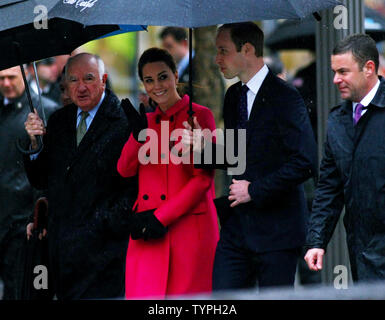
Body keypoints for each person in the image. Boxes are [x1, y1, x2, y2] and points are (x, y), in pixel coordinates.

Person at [184, 22, 317, 290]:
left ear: (247, 50)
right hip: (237, 231)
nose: (216, 59)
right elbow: (238, 155)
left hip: (278, 233)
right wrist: (203, 149)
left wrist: (254, 190)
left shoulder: (286, 97)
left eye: (223, 50)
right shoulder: (233, 96)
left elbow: (305, 163)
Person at [23, 53, 137, 300]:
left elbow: (133, 189)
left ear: (104, 80)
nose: (81, 87)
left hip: (105, 253)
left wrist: (102, 224)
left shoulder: (125, 121)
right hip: (63, 253)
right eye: (73, 80)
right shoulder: (59, 121)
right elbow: (42, 179)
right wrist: (34, 142)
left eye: (89, 78)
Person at [117, 47, 219, 299]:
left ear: (175, 74)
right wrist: (137, 136)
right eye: (149, 80)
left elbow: (203, 181)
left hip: (187, 233)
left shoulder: (200, 115)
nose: (156, 86)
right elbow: (124, 169)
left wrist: (162, 217)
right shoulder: (147, 121)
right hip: (147, 235)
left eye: (162, 76)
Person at [305, 34, 385, 282]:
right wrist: (317, 241)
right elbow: (329, 187)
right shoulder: (338, 120)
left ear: (369, 68)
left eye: (343, 71)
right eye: (334, 71)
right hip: (361, 249)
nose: (335, 79)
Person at [0, 66, 60, 300]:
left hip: (23, 219)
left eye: (11, 77)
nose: (6, 83)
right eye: (1, 78)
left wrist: (40, 214)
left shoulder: (45, 111)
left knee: (21, 290)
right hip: (5, 214)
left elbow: (47, 171)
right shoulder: (3, 110)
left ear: (25, 76)